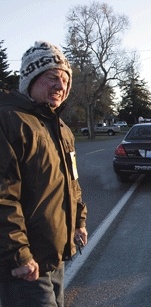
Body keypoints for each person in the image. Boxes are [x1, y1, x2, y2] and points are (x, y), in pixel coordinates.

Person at [0, 41, 88, 306]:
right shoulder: (9, 121)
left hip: (55, 256)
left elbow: (72, 182)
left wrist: (78, 222)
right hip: (25, 265)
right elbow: (3, 197)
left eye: (65, 80)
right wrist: (19, 254)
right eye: (52, 78)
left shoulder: (61, 129)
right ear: (31, 78)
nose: (60, 86)